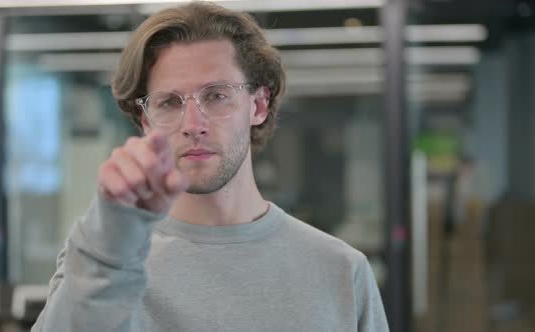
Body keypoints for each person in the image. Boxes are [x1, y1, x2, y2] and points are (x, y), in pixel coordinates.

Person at [32, 2, 389, 331]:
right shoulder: (106, 263)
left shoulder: (341, 272)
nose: (193, 123)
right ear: (145, 121)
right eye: (169, 102)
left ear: (259, 105)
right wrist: (109, 242)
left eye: (216, 95)